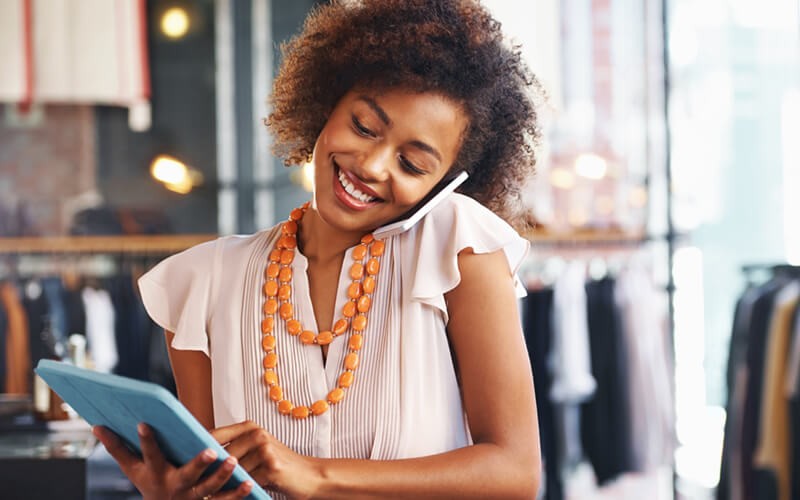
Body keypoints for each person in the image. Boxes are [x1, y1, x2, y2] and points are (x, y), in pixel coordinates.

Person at [94, 0, 543, 498]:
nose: (372, 165)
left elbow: (515, 473)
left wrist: (315, 474)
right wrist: (172, 493)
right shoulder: (203, 280)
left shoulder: (458, 249)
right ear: (327, 104)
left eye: (413, 164)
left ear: (445, 184)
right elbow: (211, 481)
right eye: (363, 127)